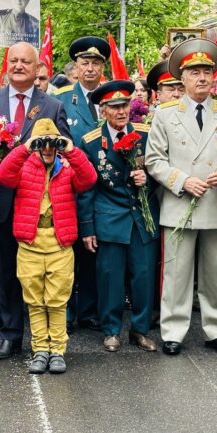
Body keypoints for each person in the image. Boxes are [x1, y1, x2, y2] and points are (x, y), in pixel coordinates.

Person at [0, 42, 70, 360]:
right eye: (13, 60)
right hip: (0, 199)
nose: (18, 66)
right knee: (4, 270)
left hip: (38, 203)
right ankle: (10, 333)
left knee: (42, 273)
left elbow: (66, 149)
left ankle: (46, 338)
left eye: (25, 61)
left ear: (37, 67)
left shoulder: (52, 106)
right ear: (6, 64)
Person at [144, 38, 217, 356]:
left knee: (215, 273)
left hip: (215, 203)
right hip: (180, 202)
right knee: (177, 273)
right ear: (182, 79)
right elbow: (154, 160)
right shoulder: (165, 114)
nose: (201, 78)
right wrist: (183, 181)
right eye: (194, 72)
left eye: (206, 72)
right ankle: (173, 331)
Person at [0, 118, 96, 373]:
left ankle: (58, 350)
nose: (48, 149)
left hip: (59, 243)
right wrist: (24, 148)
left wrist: (71, 150)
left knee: (57, 300)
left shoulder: (67, 167)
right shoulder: (24, 165)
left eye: (53, 144)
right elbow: (3, 176)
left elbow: (88, 179)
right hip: (30, 242)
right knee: (35, 301)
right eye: (42, 144)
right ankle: (40, 349)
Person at [77, 81, 160, 353]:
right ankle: (111, 330)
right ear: (103, 111)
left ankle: (140, 329)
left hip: (142, 218)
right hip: (110, 218)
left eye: (124, 105)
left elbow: (161, 169)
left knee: (144, 276)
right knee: (110, 278)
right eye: (114, 107)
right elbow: (86, 188)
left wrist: (146, 179)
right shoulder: (91, 142)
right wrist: (87, 228)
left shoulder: (146, 134)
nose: (121, 111)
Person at [54, 36, 112, 334]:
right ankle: (64, 313)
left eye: (96, 63)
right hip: (69, 188)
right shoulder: (61, 99)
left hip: (103, 190)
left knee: (93, 252)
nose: (90, 68)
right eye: (84, 63)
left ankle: (88, 311)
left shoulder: (111, 98)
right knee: (65, 254)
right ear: (76, 66)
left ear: (103, 67)